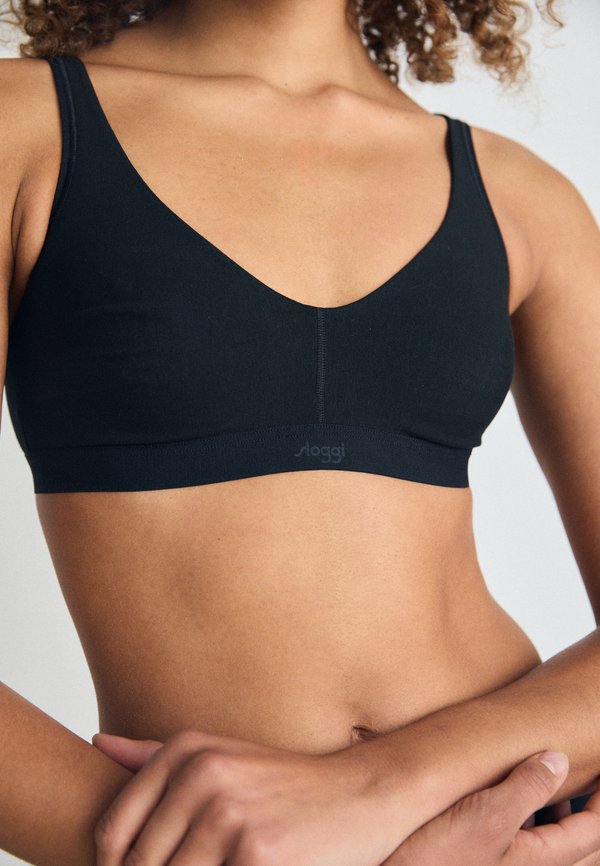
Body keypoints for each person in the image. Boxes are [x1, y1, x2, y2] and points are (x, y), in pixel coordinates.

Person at [0, 0, 599, 864]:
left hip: (512, 834)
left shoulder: (523, 196)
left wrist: (387, 789)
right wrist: (195, 851)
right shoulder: (26, 128)